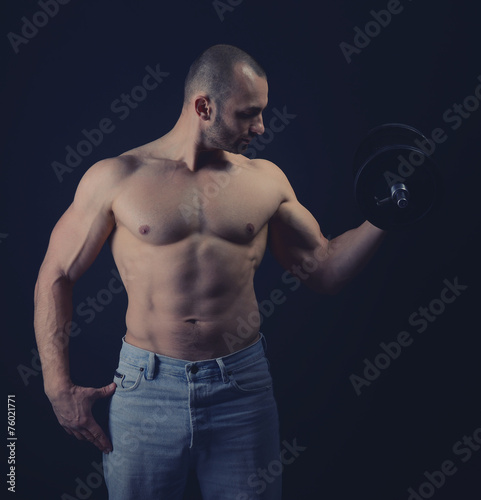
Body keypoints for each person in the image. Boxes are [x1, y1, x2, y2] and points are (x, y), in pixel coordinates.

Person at [34, 44, 386, 499]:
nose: (261, 127)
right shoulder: (117, 177)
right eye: (248, 114)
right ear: (204, 106)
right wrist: (56, 386)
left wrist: (385, 216)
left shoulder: (265, 180)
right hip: (146, 389)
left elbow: (326, 270)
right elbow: (56, 274)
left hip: (241, 388)